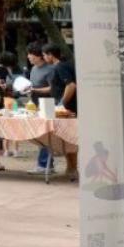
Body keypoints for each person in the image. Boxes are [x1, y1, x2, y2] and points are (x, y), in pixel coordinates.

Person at [43, 44, 78, 181]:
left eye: (45, 55)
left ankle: (73, 169)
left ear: (51, 55)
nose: (44, 58)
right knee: (67, 138)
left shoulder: (60, 67)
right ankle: (70, 168)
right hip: (69, 109)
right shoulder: (65, 65)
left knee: (69, 139)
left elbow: (71, 85)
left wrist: (61, 104)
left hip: (68, 110)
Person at [26, 42, 55, 173]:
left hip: (47, 105)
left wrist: (35, 90)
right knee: (40, 135)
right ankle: (47, 164)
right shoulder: (33, 69)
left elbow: (52, 88)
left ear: (38, 55)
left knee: (45, 134)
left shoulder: (50, 69)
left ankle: (44, 164)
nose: (28, 56)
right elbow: (32, 86)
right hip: (35, 105)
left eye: (30, 54)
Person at [0, 51, 22, 157]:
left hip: (10, 101)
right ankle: (6, 149)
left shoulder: (10, 69)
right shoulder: (0, 69)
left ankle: (11, 149)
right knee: (7, 124)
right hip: (5, 101)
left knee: (12, 123)